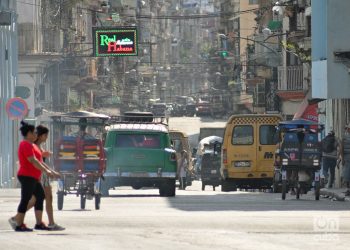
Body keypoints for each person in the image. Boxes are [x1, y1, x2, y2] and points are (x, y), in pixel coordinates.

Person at [8, 121, 60, 232]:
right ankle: (18, 223)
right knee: (25, 199)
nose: (36, 135)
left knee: (40, 196)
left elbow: (40, 161)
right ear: (29, 134)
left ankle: (39, 223)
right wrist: (46, 171)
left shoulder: (33, 146)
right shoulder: (25, 144)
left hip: (34, 177)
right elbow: (33, 160)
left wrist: (51, 171)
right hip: (26, 176)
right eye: (34, 133)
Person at [27, 125, 65, 231]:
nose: (47, 137)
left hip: (42, 174)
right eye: (45, 135)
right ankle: (51, 223)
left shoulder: (38, 147)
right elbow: (39, 162)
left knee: (43, 198)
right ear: (40, 136)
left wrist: (52, 171)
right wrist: (51, 172)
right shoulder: (35, 147)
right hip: (40, 175)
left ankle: (50, 223)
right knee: (41, 198)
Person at [341, 124, 350, 196]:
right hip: (347, 157)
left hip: (347, 157)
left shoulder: (344, 137)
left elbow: (341, 149)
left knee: (347, 173)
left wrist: (342, 158)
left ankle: (348, 189)